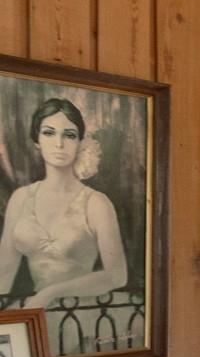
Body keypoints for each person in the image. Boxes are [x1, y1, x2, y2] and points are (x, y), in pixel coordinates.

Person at [0, 98, 128, 313]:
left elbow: (117, 275)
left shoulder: (96, 203)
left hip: (83, 314)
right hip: (34, 313)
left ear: (79, 142)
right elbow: (4, 273)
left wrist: (50, 293)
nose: (59, 144)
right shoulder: (20, 198)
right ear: (37, 141)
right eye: (49, 133)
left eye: (69, 135)